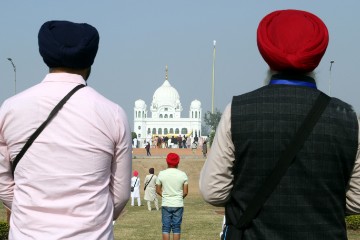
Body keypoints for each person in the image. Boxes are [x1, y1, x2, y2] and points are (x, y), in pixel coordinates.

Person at [199, 9, 360, 240]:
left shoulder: (238, 110)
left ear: (266, 52)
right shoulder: (346, 116)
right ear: (317, 54)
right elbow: (357, 198)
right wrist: (319, 206)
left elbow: (212, 191)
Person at [0, 20, 132, 239]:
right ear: (90, 60)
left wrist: (31, 212)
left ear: (45, 55)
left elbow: (3, 182)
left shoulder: (10, 109)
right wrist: (91, 219)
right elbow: (120, 194)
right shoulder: (113, 114)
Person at [156, 153, 188, 240]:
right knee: (176, 227)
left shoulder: (162, 174)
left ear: (167, 161)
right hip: (178, 204)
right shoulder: (183, 174)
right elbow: (185, 192)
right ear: (178, 162)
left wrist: (166, 196)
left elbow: (158, 190)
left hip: (166, 203)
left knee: (166, 227)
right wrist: (177, 198)